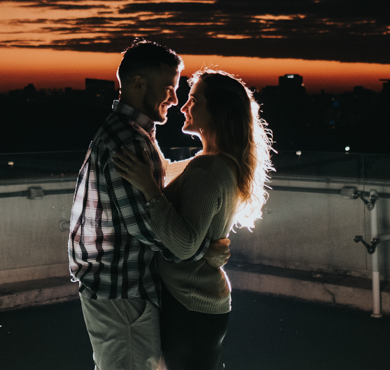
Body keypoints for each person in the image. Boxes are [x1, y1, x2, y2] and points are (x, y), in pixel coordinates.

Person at [68, 39, 230, 370]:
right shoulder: (128, 140)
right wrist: (204, 254)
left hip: (117, 289)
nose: (175, 99)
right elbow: (146, 228)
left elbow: (154, 193)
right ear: (138, 83)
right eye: (169, 87)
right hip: (122, 291)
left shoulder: (133, 134)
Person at [113, 69, 273, 370]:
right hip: (200, 304)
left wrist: (148, 188)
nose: (184, 106)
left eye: (193, 100)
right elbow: (169, 172)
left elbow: (184, 245)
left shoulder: (208, 169)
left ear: (216, 111)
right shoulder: (218, 163)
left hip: (188, 304)